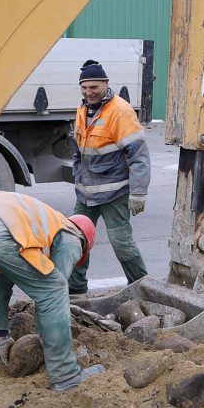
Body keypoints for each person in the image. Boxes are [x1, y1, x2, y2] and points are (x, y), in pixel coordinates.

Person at [0, 190, 105, 392]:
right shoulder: (72, 236)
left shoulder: (39, 227)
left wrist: (1, 335)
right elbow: (52, 293)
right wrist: (43, 335)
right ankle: (65, 375)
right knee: (54, 290)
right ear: (85, 244)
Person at [67, 59, 149, 295]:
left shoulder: (120, 111)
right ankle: (76, 288)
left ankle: (142, 287)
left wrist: (139, 193)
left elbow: (139, 155)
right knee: (76, 240)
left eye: (93, 87)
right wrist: (77, 175)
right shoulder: (83, 108)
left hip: (114, 194)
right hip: (85, 194)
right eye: (84, 87)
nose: (88, 92)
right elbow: (79, 148)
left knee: (122, 244)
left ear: (105, 84)